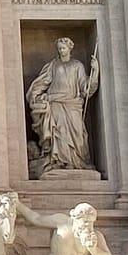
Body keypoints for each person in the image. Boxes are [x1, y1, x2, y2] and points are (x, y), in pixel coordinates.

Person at [26, 38, 101, 174]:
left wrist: (95, 72)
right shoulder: (53, 65)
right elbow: (42, 82)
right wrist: (35, 96)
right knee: (58, 132)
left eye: (63, 48)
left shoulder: (77, 65)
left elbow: (85, 87)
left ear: (70, 49)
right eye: (59, 48)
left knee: (77, 133)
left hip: (73, 104)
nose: (61, 51)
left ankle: (77, 161)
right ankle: (59, 162)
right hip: (55, 103)